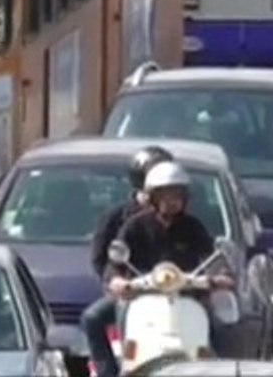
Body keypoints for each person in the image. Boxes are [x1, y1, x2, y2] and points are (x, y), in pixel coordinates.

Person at [81, 147, 174, 377]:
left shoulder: (184, 220)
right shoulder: (117, 219)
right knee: (91, 318)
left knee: (218, 318)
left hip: (176, 292)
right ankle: (109, 372)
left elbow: (204, 251)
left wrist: (213, 277)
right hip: (133, 294)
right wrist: (116, 282)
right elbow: (102, 259)